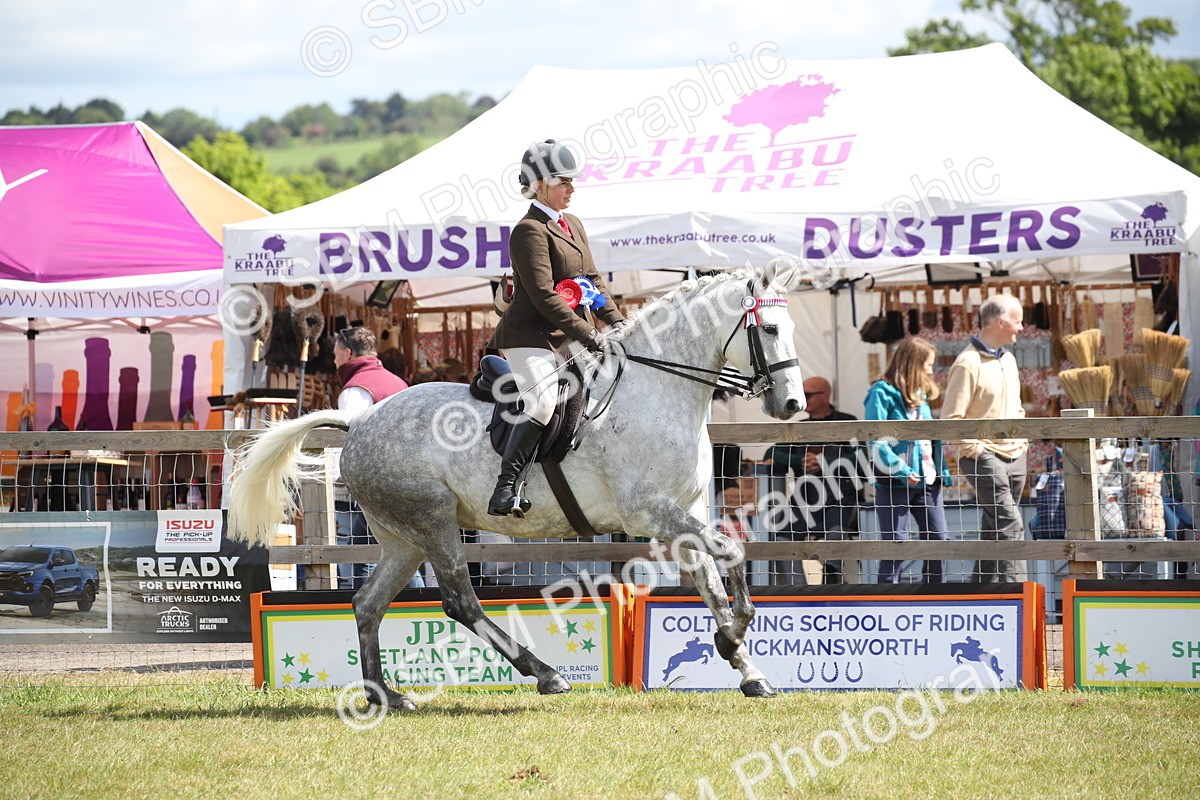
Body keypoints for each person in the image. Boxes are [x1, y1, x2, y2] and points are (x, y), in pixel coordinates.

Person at [485, 139, 625, 517]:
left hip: (568, 336)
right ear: (540, 184)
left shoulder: (573, 224)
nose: (572, 188)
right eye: (564, 181)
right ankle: (504, 487)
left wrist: (618, 321)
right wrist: (589, 333)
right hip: (530, 337)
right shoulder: (528, 230)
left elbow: (592, 279)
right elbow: (545, 296)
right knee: (544, 402)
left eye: (572, 181)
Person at [941, 293, 1028, 583]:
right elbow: (951, 418)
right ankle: (1019, 597)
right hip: (985, 455)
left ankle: (980, 594)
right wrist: (974, 450)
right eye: (1017, 320)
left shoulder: (1009, 360)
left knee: (994, 527)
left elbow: (1016, 406)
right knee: (1011, 525)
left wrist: (1023, 443)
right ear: (1001, 321)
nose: (1022, 327)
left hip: (1015, 455)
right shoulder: (967, 363)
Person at [331, 326, 416, 589]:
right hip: (408, 478)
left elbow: (349, 439)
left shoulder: (356, 389)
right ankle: (421, 601)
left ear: (347, 353)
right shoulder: (398, 383)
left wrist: (338, 477)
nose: (334, 361)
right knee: (403, 553)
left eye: (335, 355)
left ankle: (364, 613)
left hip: (375, 484)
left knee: (365, 553)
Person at [864, 337, 951, 584]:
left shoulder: (921, 395)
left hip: (928, 480)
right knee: (897, 545)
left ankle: (936, 597)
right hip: (894, 482)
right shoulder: (880, 392)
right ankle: (886, 602)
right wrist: (900, 469)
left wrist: (941, 470)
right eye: (928, 364)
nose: (931, 370)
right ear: (914, 364)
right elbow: (876, 440)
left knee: (939, 541)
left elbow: (929, 438)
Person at [765, 376, 862, 585]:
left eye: (808, 394)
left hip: (841, 500)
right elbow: (771, 452)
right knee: (782, 538)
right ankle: (800, 593)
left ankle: (831, 591)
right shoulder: (798, 427)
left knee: (835, 538)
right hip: (804, 500)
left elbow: (863, 459)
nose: (803, 399)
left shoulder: (848, 422)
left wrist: (823, 462)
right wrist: (799, 460)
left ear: (825, 396)